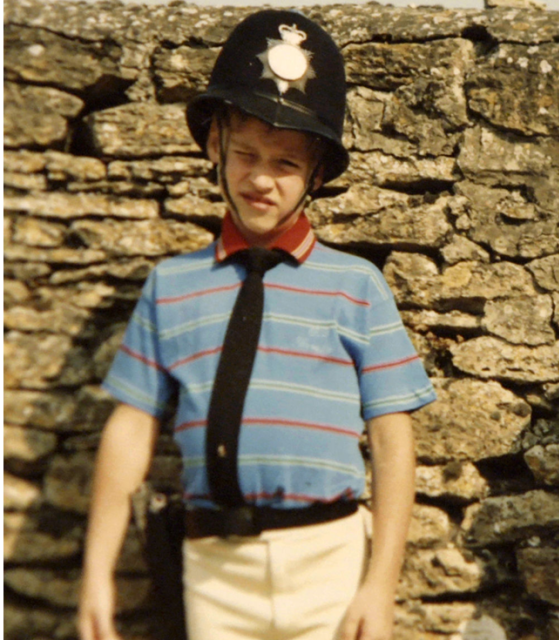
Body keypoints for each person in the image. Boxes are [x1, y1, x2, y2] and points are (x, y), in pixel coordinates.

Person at [77, 10, 436, 640]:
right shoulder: (172, 285)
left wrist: (380, 586)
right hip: (214, 570)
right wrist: (97, 573)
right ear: (215, 146)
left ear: (317, 173)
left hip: (328, 561)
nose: (261, 178)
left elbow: (391, 438)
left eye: (286, 163)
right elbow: (131, 429)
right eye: (244, 154)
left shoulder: (356, 287)